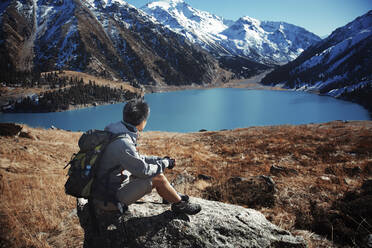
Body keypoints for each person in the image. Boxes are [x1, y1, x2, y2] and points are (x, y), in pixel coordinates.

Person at [78, 99, 201, 247]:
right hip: (108, 199)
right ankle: (179, 205)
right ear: (142, 121)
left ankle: (170, 195)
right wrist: (164, 164)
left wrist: (158, 160)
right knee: (157, 178)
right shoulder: (122, 143)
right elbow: (142, 171)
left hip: (103, 188)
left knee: (153, 171)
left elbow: (134, 160)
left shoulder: (114, 130)